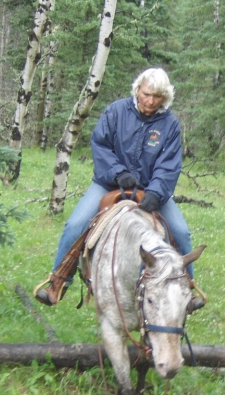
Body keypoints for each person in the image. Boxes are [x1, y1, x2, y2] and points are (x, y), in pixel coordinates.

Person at [34, 67, 204, 310]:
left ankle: (185, 288)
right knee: (75, 225)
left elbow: (169, 165)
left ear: (165, 98)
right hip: (108, 184)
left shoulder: (170, 125)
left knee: (181, 232)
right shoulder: (115, 111)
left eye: (157, 97)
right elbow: (100, 146)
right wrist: (118, 172)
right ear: (138, 90)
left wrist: (157, 192)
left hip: (150, 189)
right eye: (147, 94)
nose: (150, 101)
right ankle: (58, 282)